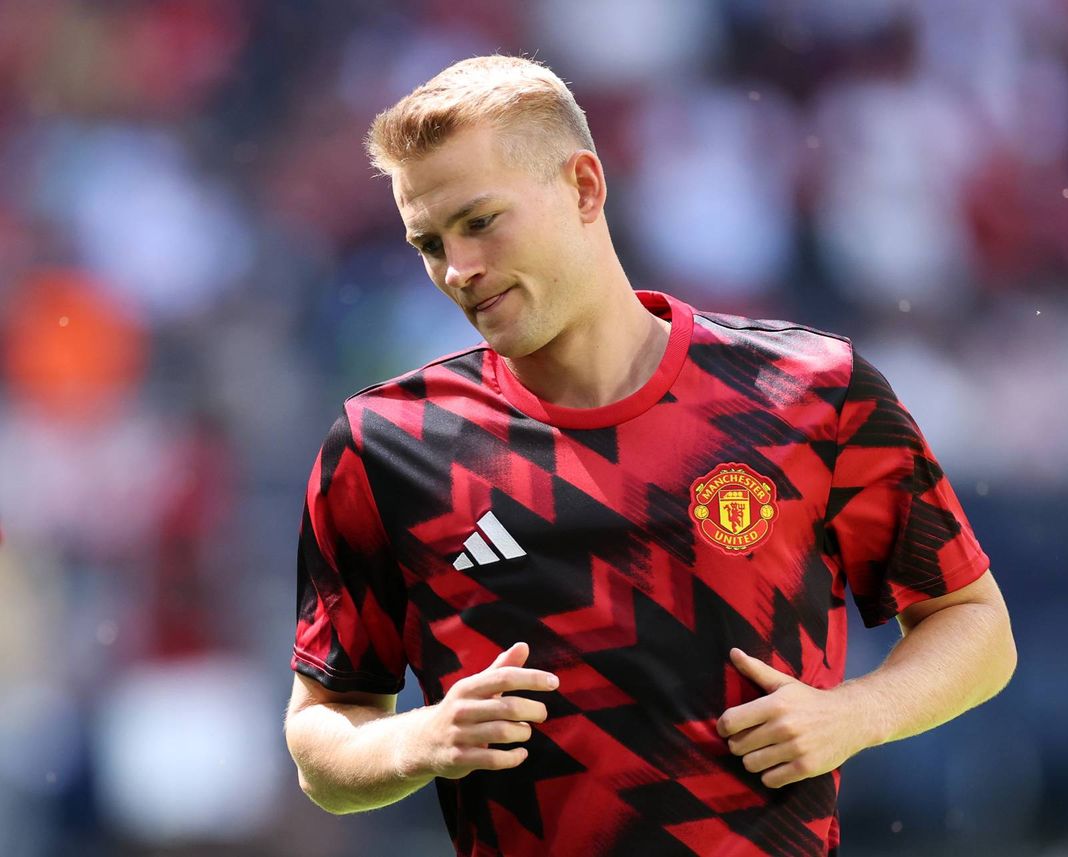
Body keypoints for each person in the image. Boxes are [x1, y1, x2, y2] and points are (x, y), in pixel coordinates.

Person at [283, 54, 1017, 857]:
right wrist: (419, 740)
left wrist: (858, 714)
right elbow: (322, 730)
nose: (457, 269)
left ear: (585, 187)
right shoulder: (387, 444)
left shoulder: (810, 389)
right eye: (429, 242)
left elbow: (975, 625)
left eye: (480, 221)